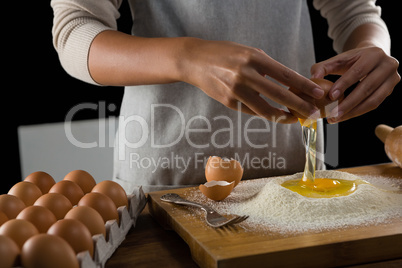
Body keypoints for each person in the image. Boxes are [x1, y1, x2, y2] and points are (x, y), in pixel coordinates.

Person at [51, 0, 400, 193]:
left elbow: (355, 11)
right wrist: (187, 57)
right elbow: (75, 31)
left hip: (292, 175)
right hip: (165, 181)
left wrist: (371, 49)